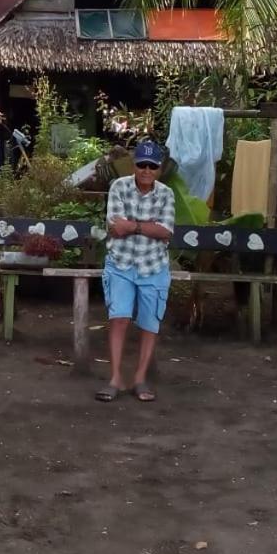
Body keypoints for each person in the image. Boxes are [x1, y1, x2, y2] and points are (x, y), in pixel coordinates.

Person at [96, 138, 175, 402]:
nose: (146, 170)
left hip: (153, 265)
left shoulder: (166, 194)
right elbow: (115, 227)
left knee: (150, 324)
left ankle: (140, 379)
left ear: (159, 169)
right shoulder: (118, 187)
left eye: (152, 166)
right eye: (141, 164)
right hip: (120, 262)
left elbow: (165, 231)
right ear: (134, 164)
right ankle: (116, 378)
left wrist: (133, 225)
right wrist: (147, 226)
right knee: (119, 318)